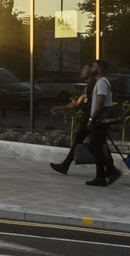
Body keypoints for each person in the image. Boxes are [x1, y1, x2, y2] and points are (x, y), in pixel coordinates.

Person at [48, 63, 94, 175]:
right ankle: (110, 169)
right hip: (89, 118)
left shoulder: (94, 85)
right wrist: (60, 108)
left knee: (81, 141)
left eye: (85, 69)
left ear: (91, 71)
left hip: (90, 118)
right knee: (90, 142)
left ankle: (65, 166)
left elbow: (97, 103)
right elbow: (78, 103)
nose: (82, 71)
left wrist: (91, 119)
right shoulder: (88, 86)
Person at [83, 58, 120, 187]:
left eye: (94, 67)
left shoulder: (101, 83)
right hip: (102, 120)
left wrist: (91, 119)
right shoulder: (103, 82)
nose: (91, 69)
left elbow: (100, 102)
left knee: (93, 147)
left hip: (100, 121)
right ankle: (101, 177)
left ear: (99, 69)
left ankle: (111, 170)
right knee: (97, 147)